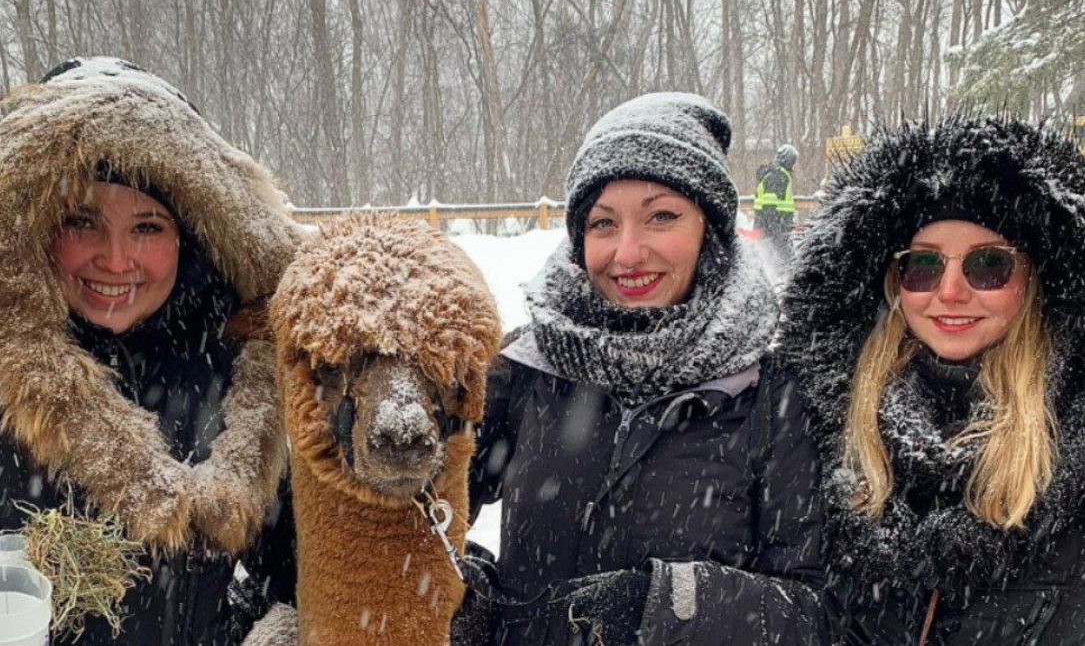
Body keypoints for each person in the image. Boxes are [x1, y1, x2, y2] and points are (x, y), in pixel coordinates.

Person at [0, 57, 301, 645]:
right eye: (82, 220)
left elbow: (295, 574)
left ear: (195, 237)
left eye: (147, 227)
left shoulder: (238, 382)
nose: (114, 259)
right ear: (30, 226)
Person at [457, 93, 836, 645]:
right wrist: (473, 599)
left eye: (661, 216)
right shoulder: (526, 368)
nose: (628, 253)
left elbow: (819, 616)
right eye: (603, 223)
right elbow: (413, 511)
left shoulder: (772, 395)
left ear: (711, 227)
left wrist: (669, 606)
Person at [779, 116, 1085, 644]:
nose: (949, 292)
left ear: (1033, 279)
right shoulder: (814, 425)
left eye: (988, 265)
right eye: (922, 266)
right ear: (894, 282)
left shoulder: (1071, 445)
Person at [753, 143, 798, 255]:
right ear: (787, 160)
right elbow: (769, 207)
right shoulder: (778, 176)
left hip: (771, 229)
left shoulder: (776, 174)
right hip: (774, 232)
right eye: (793, 162)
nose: (793, 165)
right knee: (785, 265)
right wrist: (777, 233)